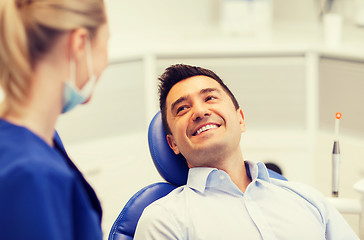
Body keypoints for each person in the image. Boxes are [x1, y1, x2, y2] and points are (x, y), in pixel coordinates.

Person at [134, 64, 358, 239]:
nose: (200, 111)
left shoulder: (307, 199)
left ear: (240, 119)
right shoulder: (163, 220)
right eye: (182, 108)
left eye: (210, 97)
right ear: (173, 144)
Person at [0, 0, 109, 239]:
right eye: (106, 42)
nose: (106, 61)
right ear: (80, 44)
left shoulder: (35, 144)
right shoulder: (30, 173)